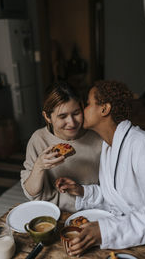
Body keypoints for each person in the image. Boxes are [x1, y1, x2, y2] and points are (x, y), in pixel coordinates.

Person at [55, 80, 145, 255]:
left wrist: (106, 231)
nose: (82, 111)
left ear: (104, 109)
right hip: (129, 236)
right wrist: (81, 191)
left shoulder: (141, 146)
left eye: (88, 104)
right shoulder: (109, 146)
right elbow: (115, 197)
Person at [20, 81, 102, 212]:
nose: (72, 122)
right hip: (53, 212)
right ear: (47, 117)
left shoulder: (98, 138)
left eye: (76, 113)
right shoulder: (38, 139)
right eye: (62, 116)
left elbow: (113, 190)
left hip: (92, 210)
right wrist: (39, 166)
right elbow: (31, 193)